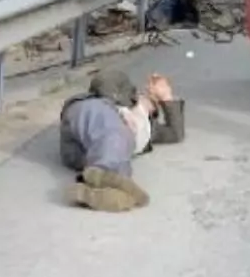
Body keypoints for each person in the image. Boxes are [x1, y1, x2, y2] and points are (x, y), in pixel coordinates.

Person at [58, 70, 186, 211]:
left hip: (87, 154)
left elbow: (176, 133)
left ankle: (96, 192)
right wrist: (121, 109)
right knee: (116, 132)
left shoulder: (150, 130)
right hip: (91, 115)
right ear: (139, 95)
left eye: (156, 106)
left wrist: (166, 97)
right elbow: (103, 79)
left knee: (122, 148)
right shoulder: (124, 94)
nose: (152, 102)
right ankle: (106, 177)